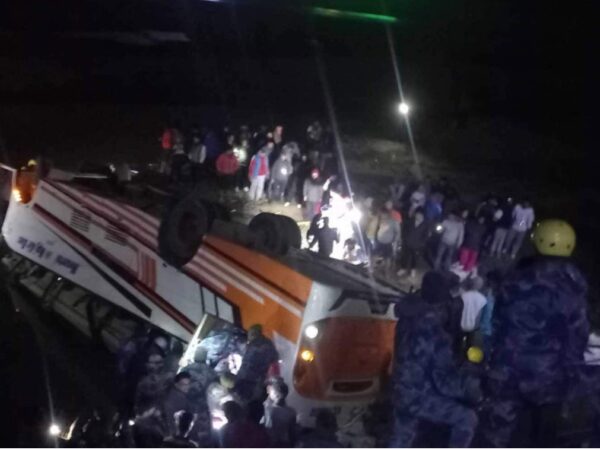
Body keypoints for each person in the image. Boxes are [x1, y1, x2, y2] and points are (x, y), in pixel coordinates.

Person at [481, 220, 589, 447]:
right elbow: (577, 338)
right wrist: (571, 375)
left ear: (536, 242)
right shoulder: (574, 288)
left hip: (507, 368)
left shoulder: (514, 280)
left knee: (497, 431)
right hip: (549, 374)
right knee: (544, 433)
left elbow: (496, 321)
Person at [390, 271, 481, 447]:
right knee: (467, 419)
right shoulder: (434, 330)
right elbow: (444, 381)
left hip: (400, 389)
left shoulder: (407, 319)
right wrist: (473, 389)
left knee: (402, 436)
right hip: (419, 396)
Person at [233, 324, 279, 403]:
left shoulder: (251, 346)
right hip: (258, 378)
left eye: (249, 335)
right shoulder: (269, 343)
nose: (248, 337)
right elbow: (275, 358)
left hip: (246, 377)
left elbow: (245, 359)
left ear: (253, 334)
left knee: (242, 396)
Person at [263, 378, 297, 447]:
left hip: (270, 442)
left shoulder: (267, 408)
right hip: (282, 443)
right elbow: (292, 433)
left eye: (271, 392)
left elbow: (264, 427)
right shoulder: (291, 412)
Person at [397, 209, 429, 279]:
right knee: (405, 256)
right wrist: (404, 239)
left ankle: (413, 270)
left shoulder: (425, 225)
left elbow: (426, 236)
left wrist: (421, 244)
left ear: (423, 216)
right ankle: (403, 268)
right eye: (417, 214)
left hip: (417, 246)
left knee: (414, 258)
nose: (417, 216)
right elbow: (404, 230)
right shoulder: (410, 221)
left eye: (419, 215)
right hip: (407, 243)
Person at [163, 372, 194, 437]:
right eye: (183, 384)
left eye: (188, 384)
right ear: (176, 384)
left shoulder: (174, 393)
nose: (187, 387)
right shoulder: (178, 398)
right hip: (173, 433)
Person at [374, 208, 401, 276]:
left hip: (388, 243)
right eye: (382, 215)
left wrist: (395, 241)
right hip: (379, 242)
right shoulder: (380, 220)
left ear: (387, 215)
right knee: (376, 255)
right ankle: (374, 269)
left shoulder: (393, 222)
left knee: (388, 258)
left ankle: (387, 272)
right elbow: (377, 229)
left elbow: (398, 232)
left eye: (384, 215)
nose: (382, 216)